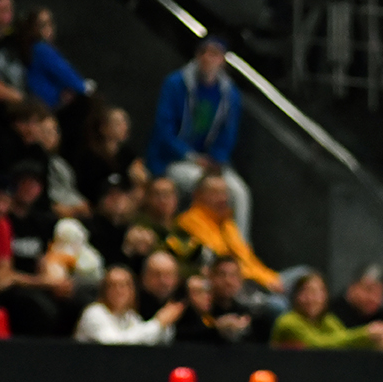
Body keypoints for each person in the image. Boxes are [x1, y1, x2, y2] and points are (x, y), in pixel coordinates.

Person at [147, 38, 253, 238]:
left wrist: (216, 160)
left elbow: (228, 135)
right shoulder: (176, 84)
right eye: (203, 52)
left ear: (222, 60)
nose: (207, 58)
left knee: (239, 192)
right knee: (206, 188)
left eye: (214, 54)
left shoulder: (229, 94)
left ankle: (239, 248)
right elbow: (164, 130)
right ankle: (203, 241)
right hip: (176, 159)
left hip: (211, 163)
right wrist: (192, 157)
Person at [174, 174, 280, 291]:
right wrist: (265, 281)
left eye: (224, 193)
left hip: (260, 281)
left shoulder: (227, 224)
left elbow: (249, 260)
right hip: (239, 284)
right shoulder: (190, 221)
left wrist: (272, 279)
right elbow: (223, 263)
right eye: (215, 193)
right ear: (198, 195)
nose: (222, 198)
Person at [271, 273, 383, 349]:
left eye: (319, 292)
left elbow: (343, 339)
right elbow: (318, 345)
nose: (313, 299)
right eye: (307, 292)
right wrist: (366, 333)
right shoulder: (288, 322)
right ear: (296, 295)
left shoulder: (328, 320)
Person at [75, 264, 182, 344]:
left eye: (124, 285)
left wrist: (165, 324)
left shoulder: (130, 317)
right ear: (104, 290)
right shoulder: (94, 313)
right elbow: (115, 344)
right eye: (113, 285)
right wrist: (158, 323)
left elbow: (145, 340)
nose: (119, 291)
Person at [22, 6, 91, 109]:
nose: (49, 29)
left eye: (51, 23)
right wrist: (86, 89)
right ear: (32, 28)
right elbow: (66, 75)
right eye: (43, 25)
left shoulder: (38, 48)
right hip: (48, 106)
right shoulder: (41, 49)